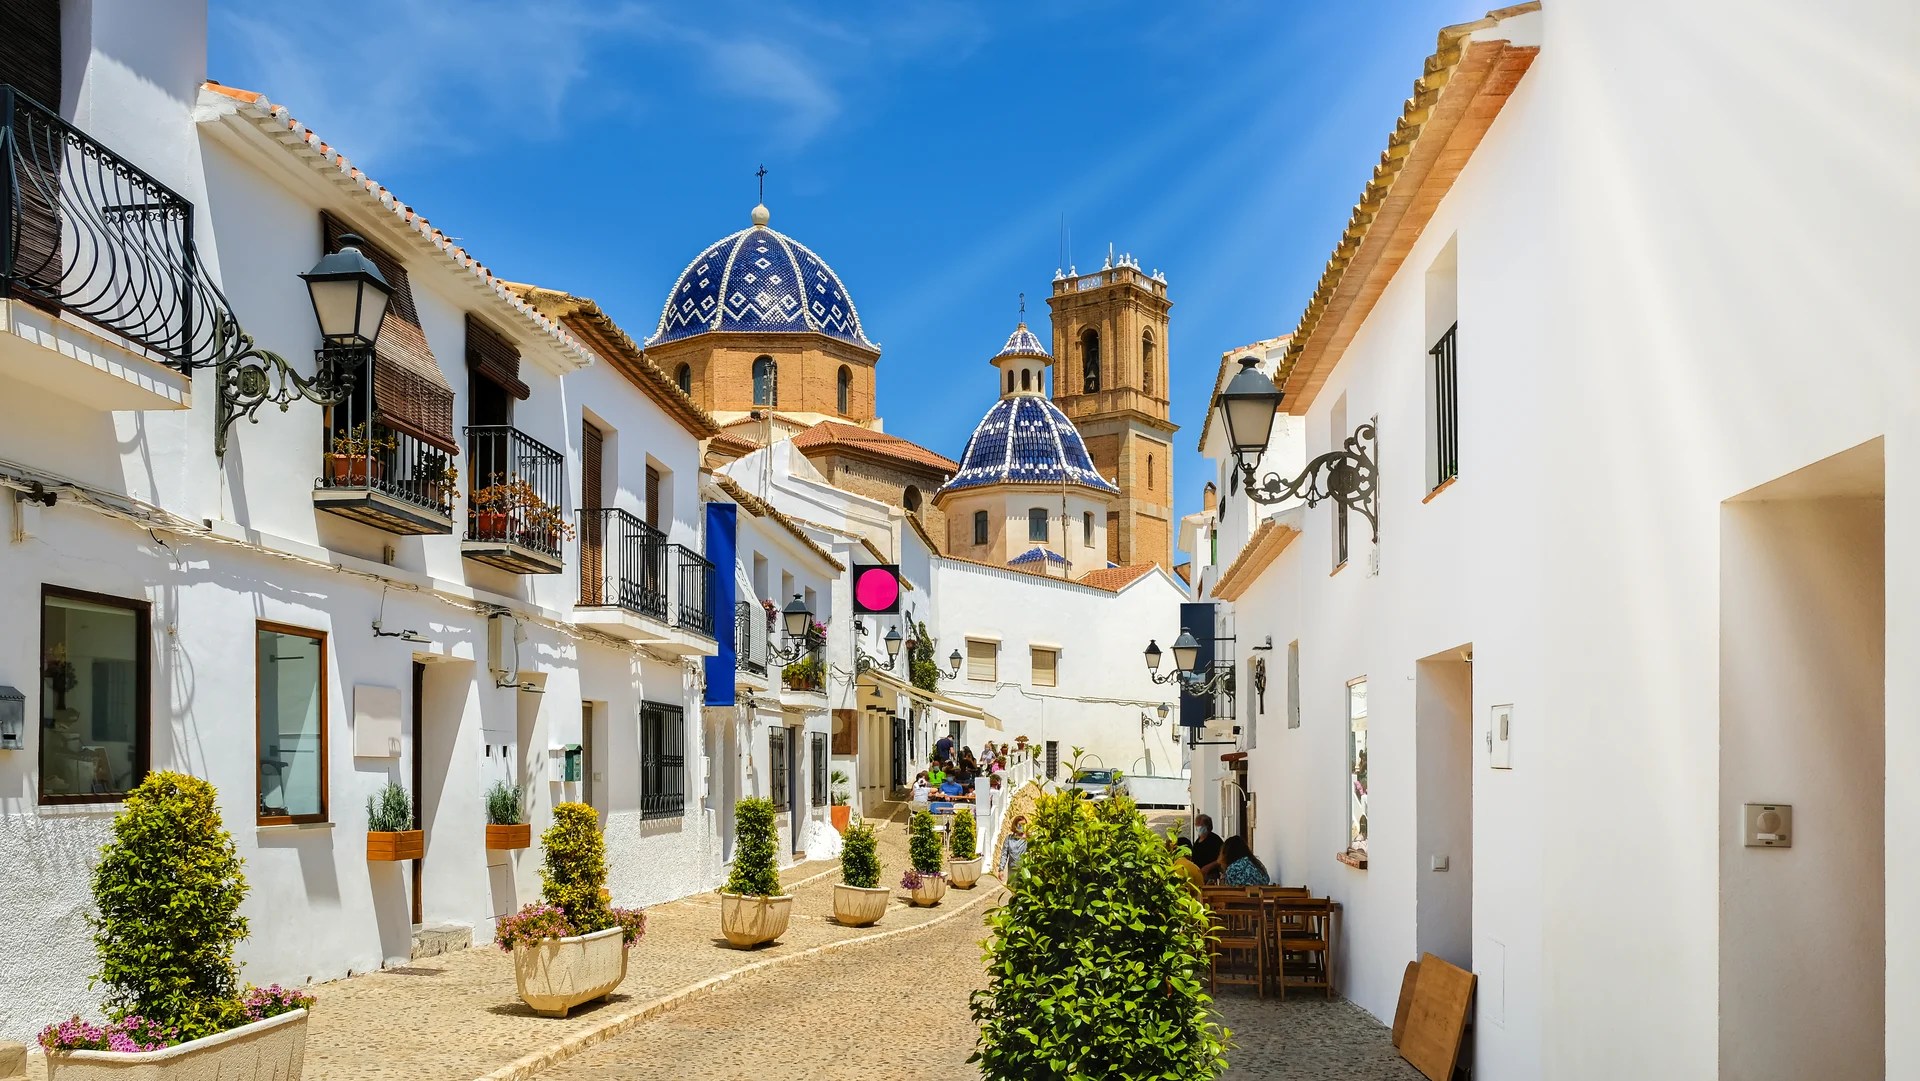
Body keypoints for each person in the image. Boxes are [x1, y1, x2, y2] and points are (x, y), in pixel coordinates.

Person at [1190, 814, 1224, 880]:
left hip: (1210, 874)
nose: (1198, 826)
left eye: (1201, 825)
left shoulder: (1215, 840)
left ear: (1207, 826)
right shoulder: (1197, 841)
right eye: (1197, 824)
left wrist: (1208, 867)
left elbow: (1222, 858)